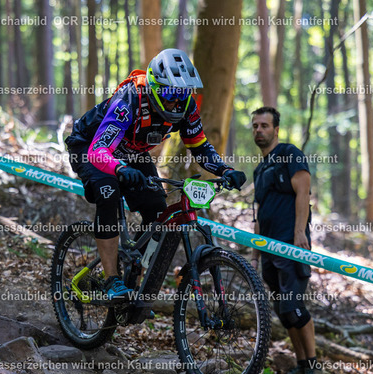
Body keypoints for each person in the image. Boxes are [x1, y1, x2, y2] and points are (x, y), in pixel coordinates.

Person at [66, 49, 246, 299]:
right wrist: (120, 168)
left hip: (132, 152)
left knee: (158, 211)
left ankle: (134, 279)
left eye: (184, 93)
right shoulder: (129, 100)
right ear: (154, 88)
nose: (177, 100)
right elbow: (99, 150)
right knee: (109, 193)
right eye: (171, 92)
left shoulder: (185, 106)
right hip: (88, 146)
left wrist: (225, 170)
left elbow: (199, 145)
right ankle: (110, 280)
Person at [249, 106, 323, 374]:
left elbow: (303, 193)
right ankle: (302, 365)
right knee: (283, 311)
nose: (259, 130)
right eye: (255, 126)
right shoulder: (259, 169)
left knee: (293, 306)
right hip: (268, 251)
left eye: (264, 126)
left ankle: (315, 368)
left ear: (276, 129)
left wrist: (299, 234)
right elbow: (258, 214)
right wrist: (255, 256)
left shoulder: (290, 154)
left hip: (291, 245)